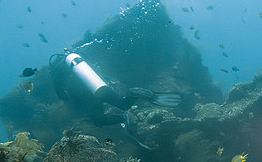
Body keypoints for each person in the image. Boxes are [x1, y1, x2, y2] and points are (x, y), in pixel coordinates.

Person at [49, 50, 181, 148]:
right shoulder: (77, 61)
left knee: (98, 119)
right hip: (99, 86)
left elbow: (62, 96)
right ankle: (134, 94)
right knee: (123, 103)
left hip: (89, 98)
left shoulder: (56, 73)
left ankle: (124, 118)